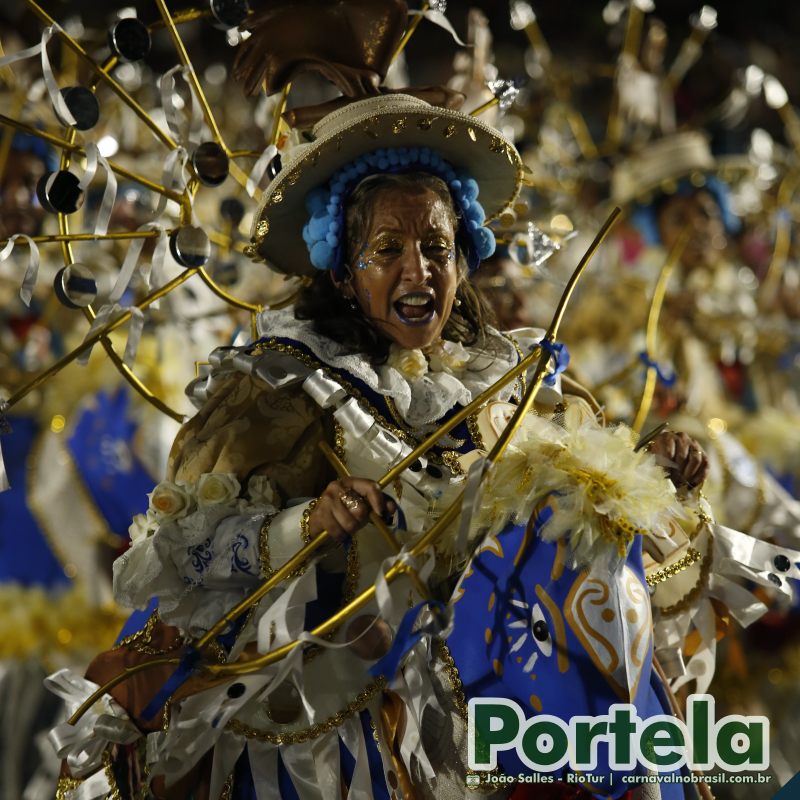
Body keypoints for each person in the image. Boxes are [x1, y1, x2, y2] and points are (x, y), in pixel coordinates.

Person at [50, 93, 799, 800]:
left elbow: (583, 517)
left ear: (464, 256)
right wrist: (308, 527)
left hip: (525, 695)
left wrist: (653, 476)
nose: (419, 271)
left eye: (437, 246)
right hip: (367, 724)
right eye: (389, 248)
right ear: (343, 271)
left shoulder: (515, 374)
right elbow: (189, 555)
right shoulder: (279, 394)